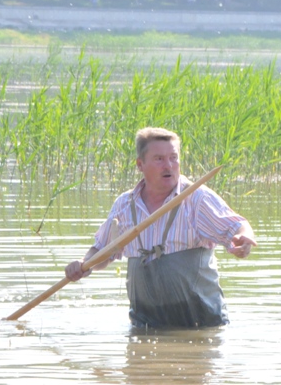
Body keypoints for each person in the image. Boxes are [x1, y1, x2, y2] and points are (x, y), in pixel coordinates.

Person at [65, 127, 256, 328]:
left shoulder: (196, 198)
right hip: (145, 325)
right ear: (140, 164)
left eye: (174, 158)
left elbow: (237, 225)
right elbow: (102, 252)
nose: (169, 166)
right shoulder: (124, 205)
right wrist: (83, 264)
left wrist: (243, 238)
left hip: (200, 324)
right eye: (159, 159)